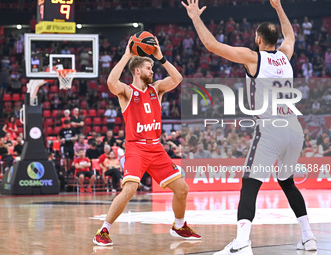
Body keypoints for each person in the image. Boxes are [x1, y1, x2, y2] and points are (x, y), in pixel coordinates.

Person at [182, 0, 316, 254]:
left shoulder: (253, 58)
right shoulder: (286, 55)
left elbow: (212, 46)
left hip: (270, 128)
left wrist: (194, 18)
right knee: (287, 182)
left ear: (258, 39)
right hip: (294, 129)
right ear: (276, 39)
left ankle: (242, 242)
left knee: (250, 183)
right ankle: (308, 237)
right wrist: (278, 7)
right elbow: (291, 35)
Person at [93, 36, 201, 246]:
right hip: (136, 148)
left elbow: (177, 78)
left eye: (152, 67)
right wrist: (127, 55)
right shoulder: (127, 92)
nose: (152, 71)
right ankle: (103, 230)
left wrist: (160, 58)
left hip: (157, 149)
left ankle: (179, 226)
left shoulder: (157, 89)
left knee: (182, 189)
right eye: (148, 67)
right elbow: (110, 82)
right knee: (130, 189)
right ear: (137, 71)